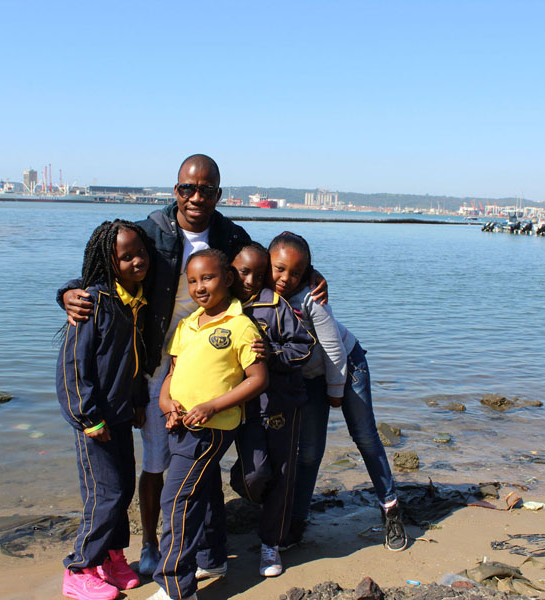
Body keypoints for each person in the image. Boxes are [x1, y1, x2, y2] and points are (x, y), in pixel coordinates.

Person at [58, 154, 327, 575]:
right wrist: (68, 291)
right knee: (156, 464)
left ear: (218, 194)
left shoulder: (230, 236)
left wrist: (311, 277)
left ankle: (204, 551)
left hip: (214, 363)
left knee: (201, 460)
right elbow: (109, 263)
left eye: (206, 190)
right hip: (157, 367)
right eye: (188, 188)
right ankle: (152, 544)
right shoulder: (151, 232)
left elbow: (263, 266)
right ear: (176, 190)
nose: (196, 197)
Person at [267, 232, 409, 552]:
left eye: (295, 272)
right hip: (308, 377)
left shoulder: (311, 299)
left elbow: (334, 350)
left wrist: (335, 392)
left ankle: (391, 508)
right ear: (267, 264)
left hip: (347, 364)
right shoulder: (263, 296)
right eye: (279, 269)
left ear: (306, 273)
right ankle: (298, 519)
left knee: (365, 436)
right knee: (309, 452)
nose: (286, 278)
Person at [148, 249, 269, 600]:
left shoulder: (240, 325)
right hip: (180, 424)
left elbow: (257, 378)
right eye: (193, 281)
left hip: (210, 428)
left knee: (177, 501)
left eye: (208, 278)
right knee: (204, 490)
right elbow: (173, 373)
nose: (200, 287)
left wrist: (212, 406)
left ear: (227, 279)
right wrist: (166, 404)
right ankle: (211, 559)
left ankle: (176, 586)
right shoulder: (187, 324)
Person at [56, 220, 151, 600]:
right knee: (104, 494)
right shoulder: (91, 303)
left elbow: (135, 361)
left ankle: (111, 557)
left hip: (121, 414)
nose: (137, 261)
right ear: (109, 262)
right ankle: (79, 568)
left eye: (141, 253)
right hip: (95, 420)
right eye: (126, 257)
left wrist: (138, 401)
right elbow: (72, 367)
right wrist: (87, 417)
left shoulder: (135, 300)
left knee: (123, 488)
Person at [227, 242, 315, 577]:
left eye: (258, 273)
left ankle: (270, 543)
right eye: (243, 273)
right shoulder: (224, 305)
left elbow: (304, 346)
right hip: (242, 407)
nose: (250, 280)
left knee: (282, 473)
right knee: (254, 475)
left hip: (281, 404)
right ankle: (253, 496)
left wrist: (273, 352)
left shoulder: (275, 306)